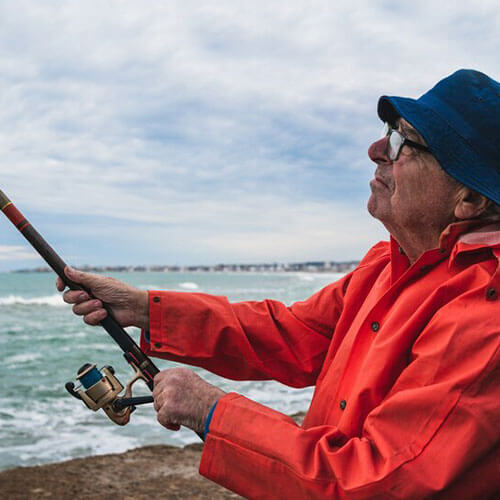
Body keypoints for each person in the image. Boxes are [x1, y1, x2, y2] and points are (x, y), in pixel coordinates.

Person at [57, 69, 500, 499]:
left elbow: (380, 483)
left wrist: (213, 412)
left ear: (471, 198)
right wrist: (144, 309)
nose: (375, 149)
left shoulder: (484, 315)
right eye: (388, 131)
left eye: (403, 142)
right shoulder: (388, 263)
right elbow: (293, 334)